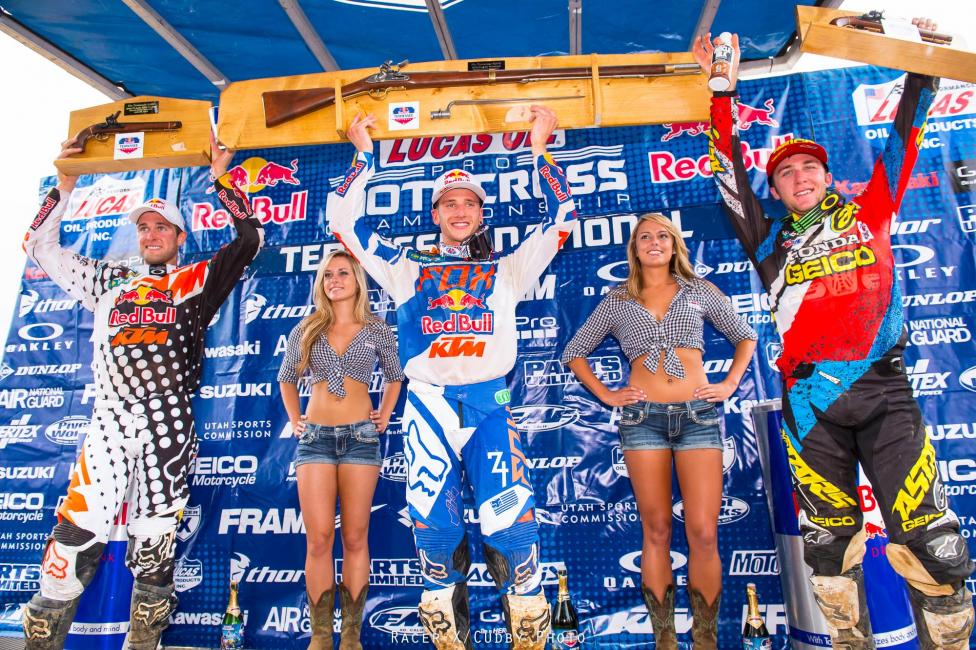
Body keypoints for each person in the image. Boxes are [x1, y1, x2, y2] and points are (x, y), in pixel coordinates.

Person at [695, 22, 974, 649]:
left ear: (826, 176)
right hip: (809, 403)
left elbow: (905, 136)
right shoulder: (766, 238)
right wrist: (720, 93)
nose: (798, 176)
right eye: (785, 172)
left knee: (930, 540)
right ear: (773, 189)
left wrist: (921, 68)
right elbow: (724, 163)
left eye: (808, 167)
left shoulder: (873, 208)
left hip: (884, 393)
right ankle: (850, 643)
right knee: (827, 550)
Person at [327, 106, 576, 650]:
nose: (460, 210)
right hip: (429, 407)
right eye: (450, 203)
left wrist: (538, 148)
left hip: (490, 405)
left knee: (511, 529)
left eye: (470, 203)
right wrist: (363, 156)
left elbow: (562, 217)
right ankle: (449, 631)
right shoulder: (405, 267)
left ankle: (529, 630)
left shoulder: (507, 267)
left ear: (481, 215)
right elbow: (344, 223)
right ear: (435, 213)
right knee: (436, 531)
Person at [21, 136, 263, 650]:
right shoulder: (106, 280)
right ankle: (43, 641)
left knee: (155, 544)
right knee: (76, 532)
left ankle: (143, 643)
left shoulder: (195, 280)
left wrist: (222, 176)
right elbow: (39, 246)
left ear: (179, 236)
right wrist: (64, 182)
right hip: (108, 418)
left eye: (162, 228)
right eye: (144, 227)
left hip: (168, 420)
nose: (151, 234)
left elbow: (248, 241)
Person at [562, 213, 757, 649]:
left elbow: (745, 336)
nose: (654, 242)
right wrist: (608, 394)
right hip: (642, 419)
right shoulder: (618, 299)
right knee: (656, 529)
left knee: (704, 531)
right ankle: (664, 636)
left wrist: (728, 384)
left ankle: (704, 636)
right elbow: (575, 352)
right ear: (634, 248)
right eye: (645, 237)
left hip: (699, 417)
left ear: (675, 246)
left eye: (663, 236)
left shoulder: (700, 290)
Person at [278, 249, 403, 649]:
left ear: (357, 280)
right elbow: (285, 377)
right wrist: (295, 417)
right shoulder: (307, 328)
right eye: (328, 274)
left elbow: (395, 376)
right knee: (317, 538)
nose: (335, 280)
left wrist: (383, 413)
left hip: (360, 439)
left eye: (343, 273)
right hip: (315, 439)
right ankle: (320, 636)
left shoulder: (378, 328)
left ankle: (351, 636)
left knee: (355, 536)